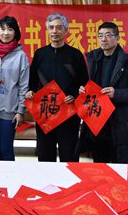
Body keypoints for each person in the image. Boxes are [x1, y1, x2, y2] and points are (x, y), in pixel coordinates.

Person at [80, 21, 128, 164]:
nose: (103, 39)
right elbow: (88, 85)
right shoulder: (93, 60)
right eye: (100, 36)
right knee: (100, 167)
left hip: (122, 122)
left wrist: (116, 93)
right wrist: (83, 90)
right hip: (99, 121)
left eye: (108, 35)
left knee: (123, 167)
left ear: (117, 38)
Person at [25, 13, 88, 162]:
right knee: (45, 157)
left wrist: (74, 95)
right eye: (51, 27)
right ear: (47, 30)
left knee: (69, 158)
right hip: (45, 114)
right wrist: (30, 92)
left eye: (59, 28)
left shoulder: (75, 55)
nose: (55, 31)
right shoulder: (40, 54)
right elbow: (32, 81)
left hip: (68, 114)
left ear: (66, 31)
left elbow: (84, 84)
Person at [0, 16, 29, 161]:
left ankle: (10, 176)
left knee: (6, 149)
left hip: (9, 112)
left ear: (16, 32)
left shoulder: (21, 56)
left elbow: (24, 86)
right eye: (2, 29)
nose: (5, 33)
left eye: (10, 29)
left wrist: (20, 111)